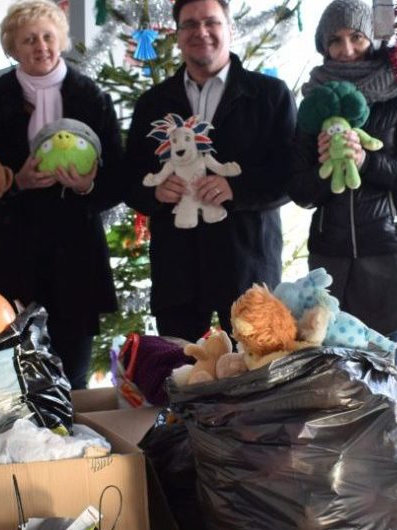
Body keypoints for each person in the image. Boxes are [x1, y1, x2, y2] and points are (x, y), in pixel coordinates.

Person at [287, 0, 397, 389]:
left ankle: (392, 453)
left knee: (390, 384)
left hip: (391, 265)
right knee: (335, 387)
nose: (347, 49)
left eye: (356, 37)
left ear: (371, 37)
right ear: (324, 46)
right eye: (335, 41)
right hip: (330, 266)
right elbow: (300, 192)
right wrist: (324, 168)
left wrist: (368, 160)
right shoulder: (315, 102)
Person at [0, 0, 123, 390]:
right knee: (11, 374)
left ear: (61, 39)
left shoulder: (93, 97)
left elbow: (119, 177)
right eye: (29, 39)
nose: (41, 46)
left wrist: (87, 185)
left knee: (73, 376)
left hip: (77, 257)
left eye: (48, 36)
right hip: (13, 255)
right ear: (13, 48)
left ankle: (73, 449)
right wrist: (14, 181)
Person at [124, 0, 296, 343]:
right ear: (176, 35)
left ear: (229, 30)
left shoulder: (269, 96)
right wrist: (153, 192)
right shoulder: (152, 103)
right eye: (189, 24)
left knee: (258, 381)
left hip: (248, 268)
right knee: (184, 382)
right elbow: (128, 178)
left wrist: (238, 189)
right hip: (177, 273)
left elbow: (291, 176)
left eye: (211, 22)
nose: (200, 32)